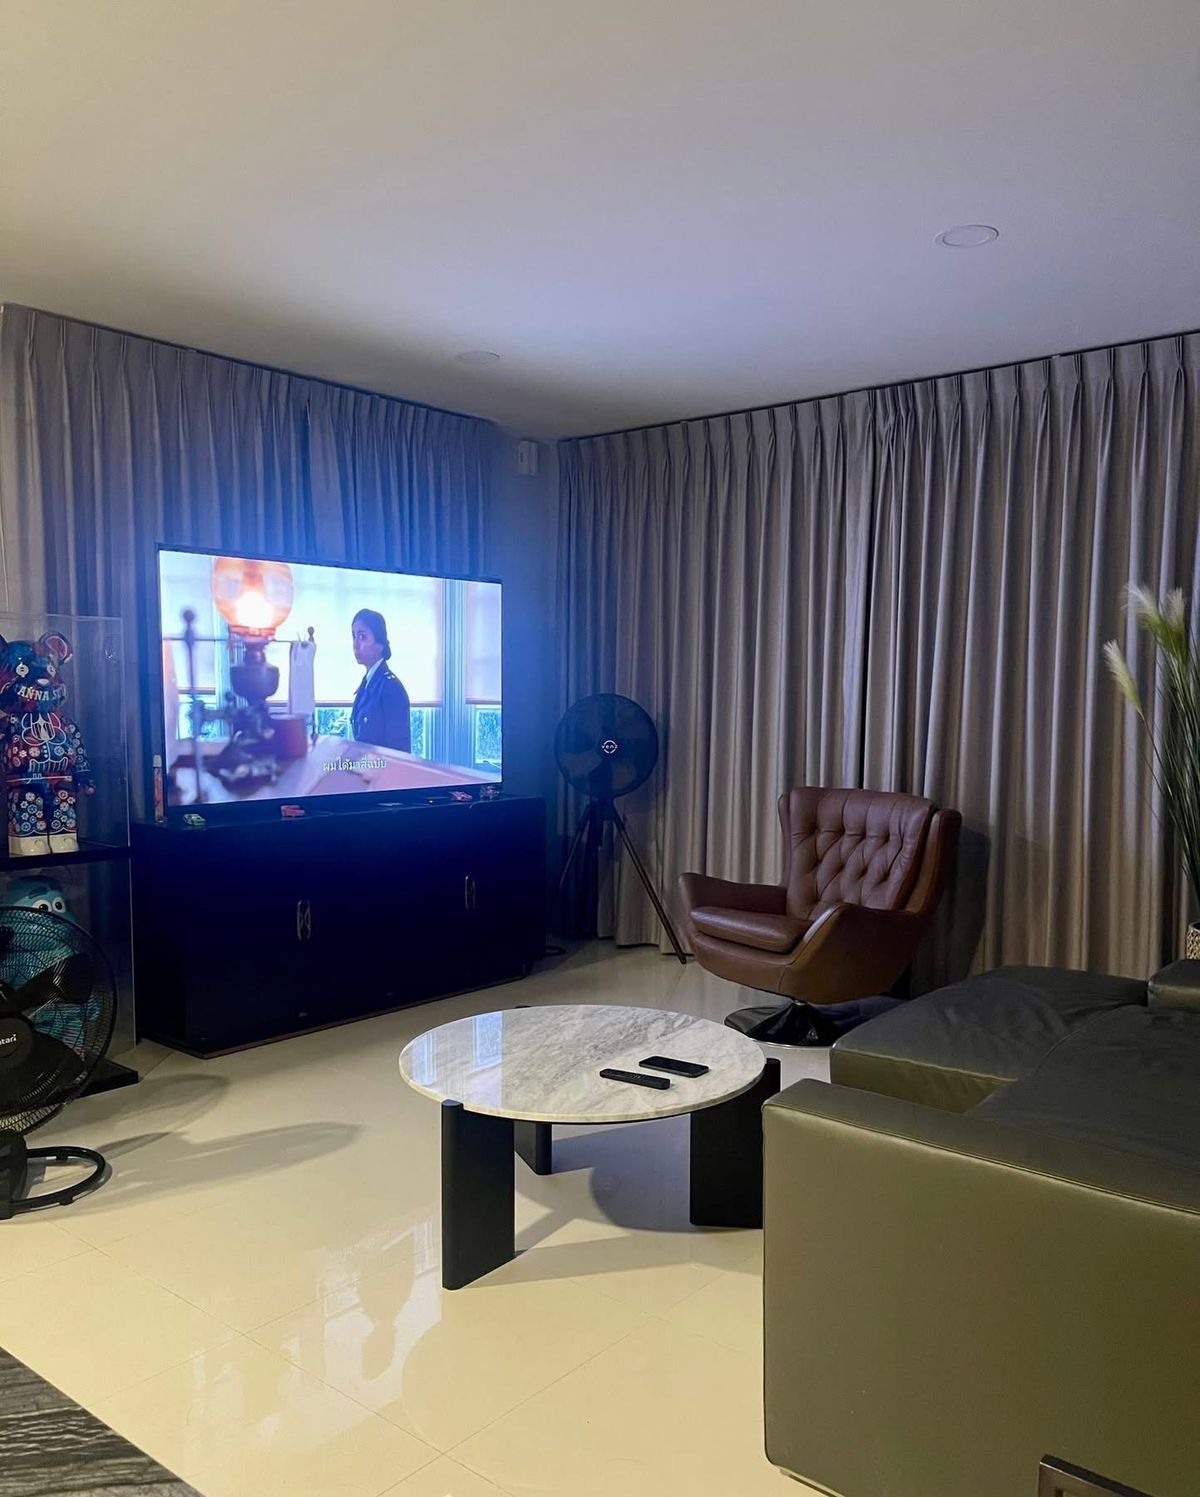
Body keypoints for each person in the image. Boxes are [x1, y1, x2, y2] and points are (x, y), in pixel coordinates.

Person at [349, 608, 411, 752]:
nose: (355, 644)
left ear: (380, 644)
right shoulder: (367, 684)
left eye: (362, 637)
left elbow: (398, 752)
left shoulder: (390, 688)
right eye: (354, 636)